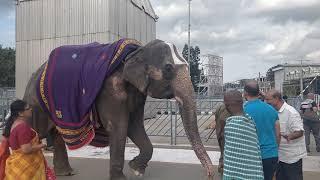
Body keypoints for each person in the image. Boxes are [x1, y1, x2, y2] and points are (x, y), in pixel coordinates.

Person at [0, 99, 55, 180]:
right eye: (28, 108)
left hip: (18, 164)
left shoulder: (14, 124)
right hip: (26, 167)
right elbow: (26, 149)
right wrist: (42, 145)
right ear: (20, 113)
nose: (31, 109)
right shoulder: (22, 127)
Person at [265, 90, 307, 180]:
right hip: (280, 157)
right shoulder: (272, 112)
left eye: (268, 99)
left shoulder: (291, 112)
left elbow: (299, 131)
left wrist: (290, 136)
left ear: (276, 98)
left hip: (292, 158)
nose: (266, 102)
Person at [243, 80, 280, 180]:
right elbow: (277, 134)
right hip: (271, 154)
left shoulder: (243, 111)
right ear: (258, 92)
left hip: (252, 157)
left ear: (245, 93)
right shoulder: (272, 109)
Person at [223, 90, 264, 180]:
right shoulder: (250, 121)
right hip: (254, 174)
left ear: (226, 105)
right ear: (242, 102)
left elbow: (231, 161)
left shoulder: (231, 125)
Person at [205, 104, 231, 174]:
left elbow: (217, 120)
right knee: (225, 151)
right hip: (224, 134)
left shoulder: (220, 107)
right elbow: (217, 120)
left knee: (223, 150)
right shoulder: (237, 107)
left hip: (221, 134)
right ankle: (223, 165)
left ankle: (222, 164)